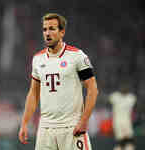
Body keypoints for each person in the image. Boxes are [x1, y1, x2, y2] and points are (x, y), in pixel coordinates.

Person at [18, 13, 99, 150]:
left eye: (52, 29)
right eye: (44, 29)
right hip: (46, 129)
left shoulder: (77, 56)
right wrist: (24, 123)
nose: (47, 33)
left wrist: (84, 121)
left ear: (62, 32)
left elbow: (93, 89)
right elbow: (33, 93)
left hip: (71, 127)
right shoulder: (38, 59)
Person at [109, 83, 137, 150]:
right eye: (122, 87)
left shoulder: (131, 97)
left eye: (125, 87)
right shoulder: (115, 96)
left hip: (127, 121)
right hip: (117, 122)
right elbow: (106, 100)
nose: (124, 89)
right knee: (120, 141)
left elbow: (136, 107)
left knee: (129, 141)